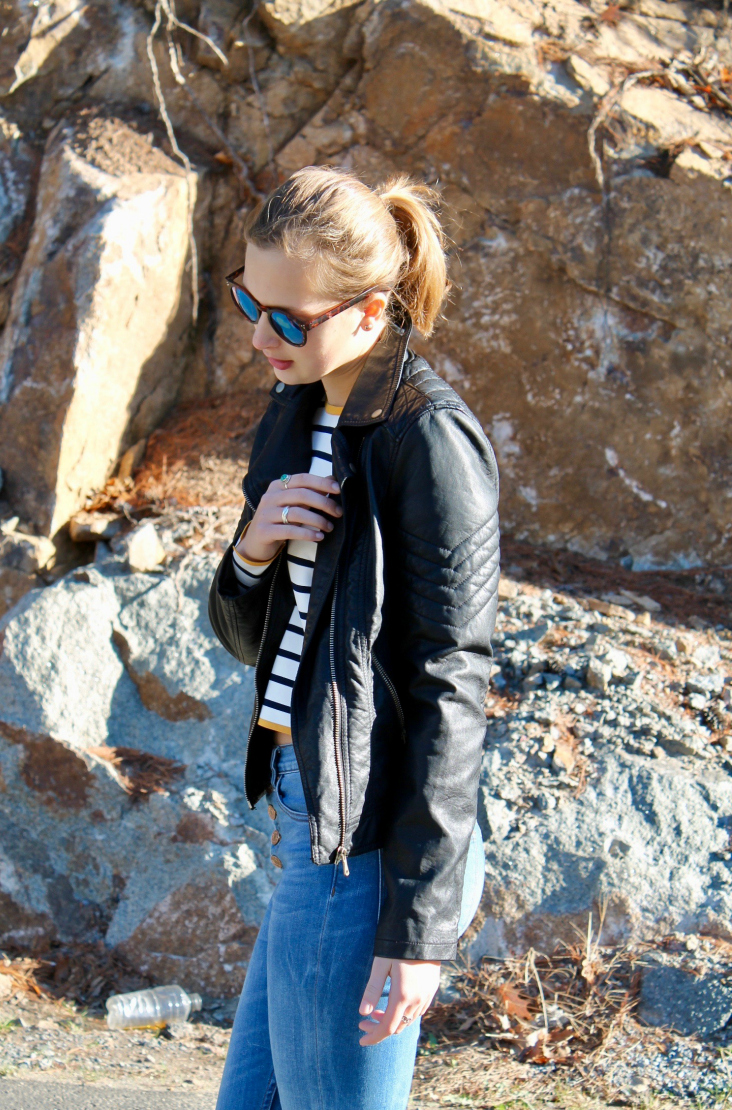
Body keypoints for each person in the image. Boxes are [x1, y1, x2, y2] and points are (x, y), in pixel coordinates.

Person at [208, 165, 500, 1110]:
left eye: (290, 319)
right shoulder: (298, 409)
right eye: (252, 303)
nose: (262, 337)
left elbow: (451, 687)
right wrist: (252, 550)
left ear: (371, 311)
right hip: (308, 823)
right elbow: (257, 641)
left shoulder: (427, 437)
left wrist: (419, 930)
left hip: (360, 849)